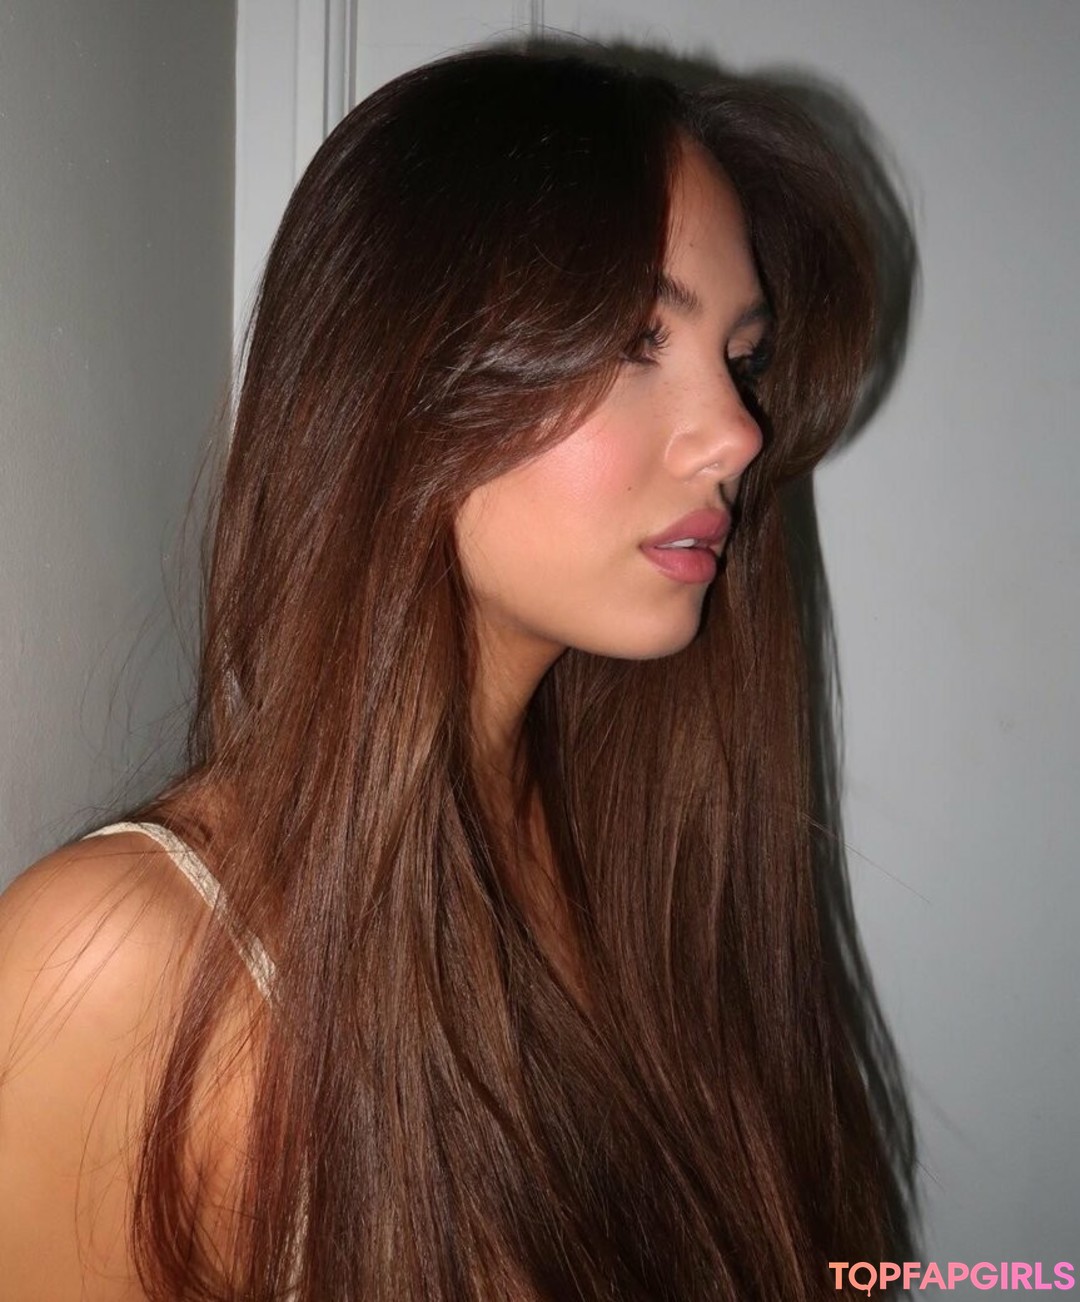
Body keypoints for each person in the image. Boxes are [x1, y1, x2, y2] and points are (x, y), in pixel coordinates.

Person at [0, 43, 909, 1300]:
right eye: (635, 337)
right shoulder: (118, 970)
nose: (737, 434)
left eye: (740, 358)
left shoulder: (643, 867)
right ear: (399, 376)